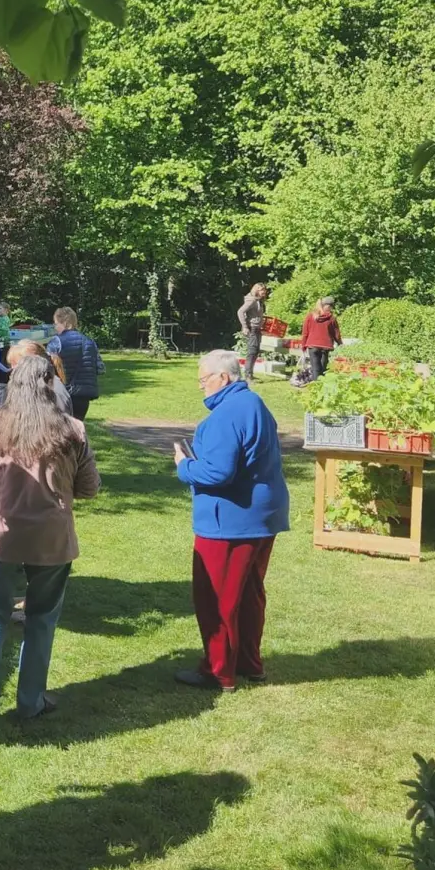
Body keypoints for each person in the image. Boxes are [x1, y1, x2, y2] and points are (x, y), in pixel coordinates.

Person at [0, 358, 101, 729]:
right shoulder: (72, 429)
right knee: (41, 620)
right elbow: (89, 487)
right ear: (49, 383)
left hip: (0, 536)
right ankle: (30, 701)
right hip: (51, 539)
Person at [172, 350, 289, 692]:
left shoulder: (224, 415)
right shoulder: (255, 403)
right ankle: (249, 663)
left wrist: (184, 466)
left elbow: (218, 473)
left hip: (230, 521)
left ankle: (218, 671)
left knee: (217, 598)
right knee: (250, 592)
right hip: (263, 516)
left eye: (203, 379)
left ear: (223, 378)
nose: (201, 387)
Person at [46, 307, 106, 420]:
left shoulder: (56, 342)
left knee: (62, 427)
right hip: (84, 396)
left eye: (56, 323)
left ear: (64, 323)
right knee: (78, 426)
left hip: (63, 394)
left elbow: (46, 369)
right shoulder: (89, 342)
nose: (55, 327)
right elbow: (100, 368)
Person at [8, 340, 71, 413]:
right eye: (11, 364)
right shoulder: (26, 387)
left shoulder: (54, 390)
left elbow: (60, 418)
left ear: (36, 362)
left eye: (16, 364)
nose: (12, 369)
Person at [300, 296, 341, 382]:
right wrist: (340, 343)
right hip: (325, 347)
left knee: (315, 369)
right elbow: (336, 334)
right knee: (322, 370)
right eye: (331, 307)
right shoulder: (332, 318)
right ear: (328, 306)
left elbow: (305, 333)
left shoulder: (310, 316)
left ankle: (315, 387)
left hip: (312, 346)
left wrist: (303, 346)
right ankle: (320, 386)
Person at [236, 283, 269, 383]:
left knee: (256, 351)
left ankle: (251, 374)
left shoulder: (259, 301)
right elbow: (240, 312)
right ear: (257, 290)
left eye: (264, 290)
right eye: (262, 290)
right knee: (252, 351)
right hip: (252, 329)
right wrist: (245, 326)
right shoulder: (252, 300)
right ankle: (248, 376)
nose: (264, 292)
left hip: (257, 328)